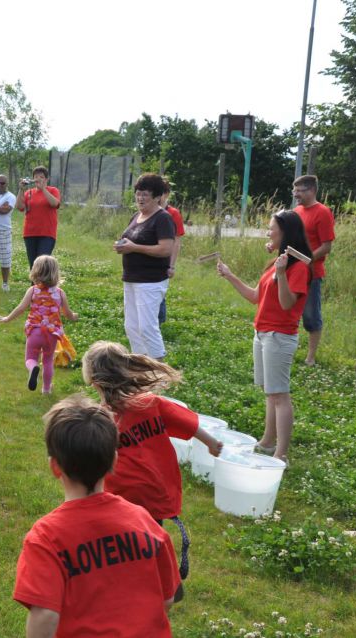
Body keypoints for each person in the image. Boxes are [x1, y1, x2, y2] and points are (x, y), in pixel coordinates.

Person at [13, 395, 181, 638]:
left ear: (54, 466)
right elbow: (168, 598)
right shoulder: (144, 521)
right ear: (114, 460)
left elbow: (44, 615)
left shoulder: (45, 537)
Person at [82, 340, 223, 582]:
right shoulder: (150, 403)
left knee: (122, 540)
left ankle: (130, 576)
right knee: (151, 537)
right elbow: (190, 424)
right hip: (155, 490)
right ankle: (156, 575)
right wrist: (212, 443)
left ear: (94, 382)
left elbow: (92, 461)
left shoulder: (101, 418)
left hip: (122, 495)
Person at [216, 211, 313, 461]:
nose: (268, 232)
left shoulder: (298, 267)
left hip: (279, 336)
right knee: (271, 393)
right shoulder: (276, 262)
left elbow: (286, 304)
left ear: (285, 232)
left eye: (271, 228)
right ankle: (268, 442)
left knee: (280, 395)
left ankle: (280, 455)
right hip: (262, 333)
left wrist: (281, 274)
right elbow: (255, 297)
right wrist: (228, 275)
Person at [114, 173, 176, 360]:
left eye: (145, 195)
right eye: (138, 194)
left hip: (151, 281)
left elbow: (165, 249)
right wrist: (122, 246)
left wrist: (134, 247)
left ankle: (160, 371)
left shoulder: (163, 218)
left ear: (157, 197)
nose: (140, 198)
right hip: (131, 278)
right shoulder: (136, 216)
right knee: (131, 326)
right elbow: (131, 240)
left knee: (147, 327)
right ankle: (141, 366)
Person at [0, 255, 78, 394]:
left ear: (36, 272)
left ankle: (33, 367)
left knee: (30, 359)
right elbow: (67, 313)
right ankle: (46, 389)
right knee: (47, 361)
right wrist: (74, 316)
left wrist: (7, 318)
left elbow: (21, 308)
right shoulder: (60, 293)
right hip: (51, 333)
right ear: (55, 273)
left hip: (34, 331)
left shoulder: (33, 290)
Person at [293, 175, 335, 366]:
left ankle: (310, 356)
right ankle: (288, 349)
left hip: (312, 274)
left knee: (310, 315)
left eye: (299, 191)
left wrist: (307, 260)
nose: (295, 195)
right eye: (294, 191)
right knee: (289, 312)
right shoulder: (296, 211)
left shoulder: (323, 212)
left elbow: (327, 246)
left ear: (311, 190)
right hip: (293, 271)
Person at [16, 166, 60, 268]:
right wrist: (21, 190)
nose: (38, 179)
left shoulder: (53, 190)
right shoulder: (29, 192)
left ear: (46, 179)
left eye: (41, 177)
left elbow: (55, 204)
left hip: (47, 233)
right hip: (30, 233)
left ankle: (44, 284)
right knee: (33, 264)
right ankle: (34, 284)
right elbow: (20, 207)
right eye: (36, 176)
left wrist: (43, 189)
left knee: (42, 264)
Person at [158, 180, 185, 323]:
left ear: (167, 194)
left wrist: (171, 265)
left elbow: (176, 241)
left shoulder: (173, 213)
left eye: (161, 193)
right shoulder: (144, 211)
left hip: (164, 261)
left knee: (159, 293)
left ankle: (159, 322)